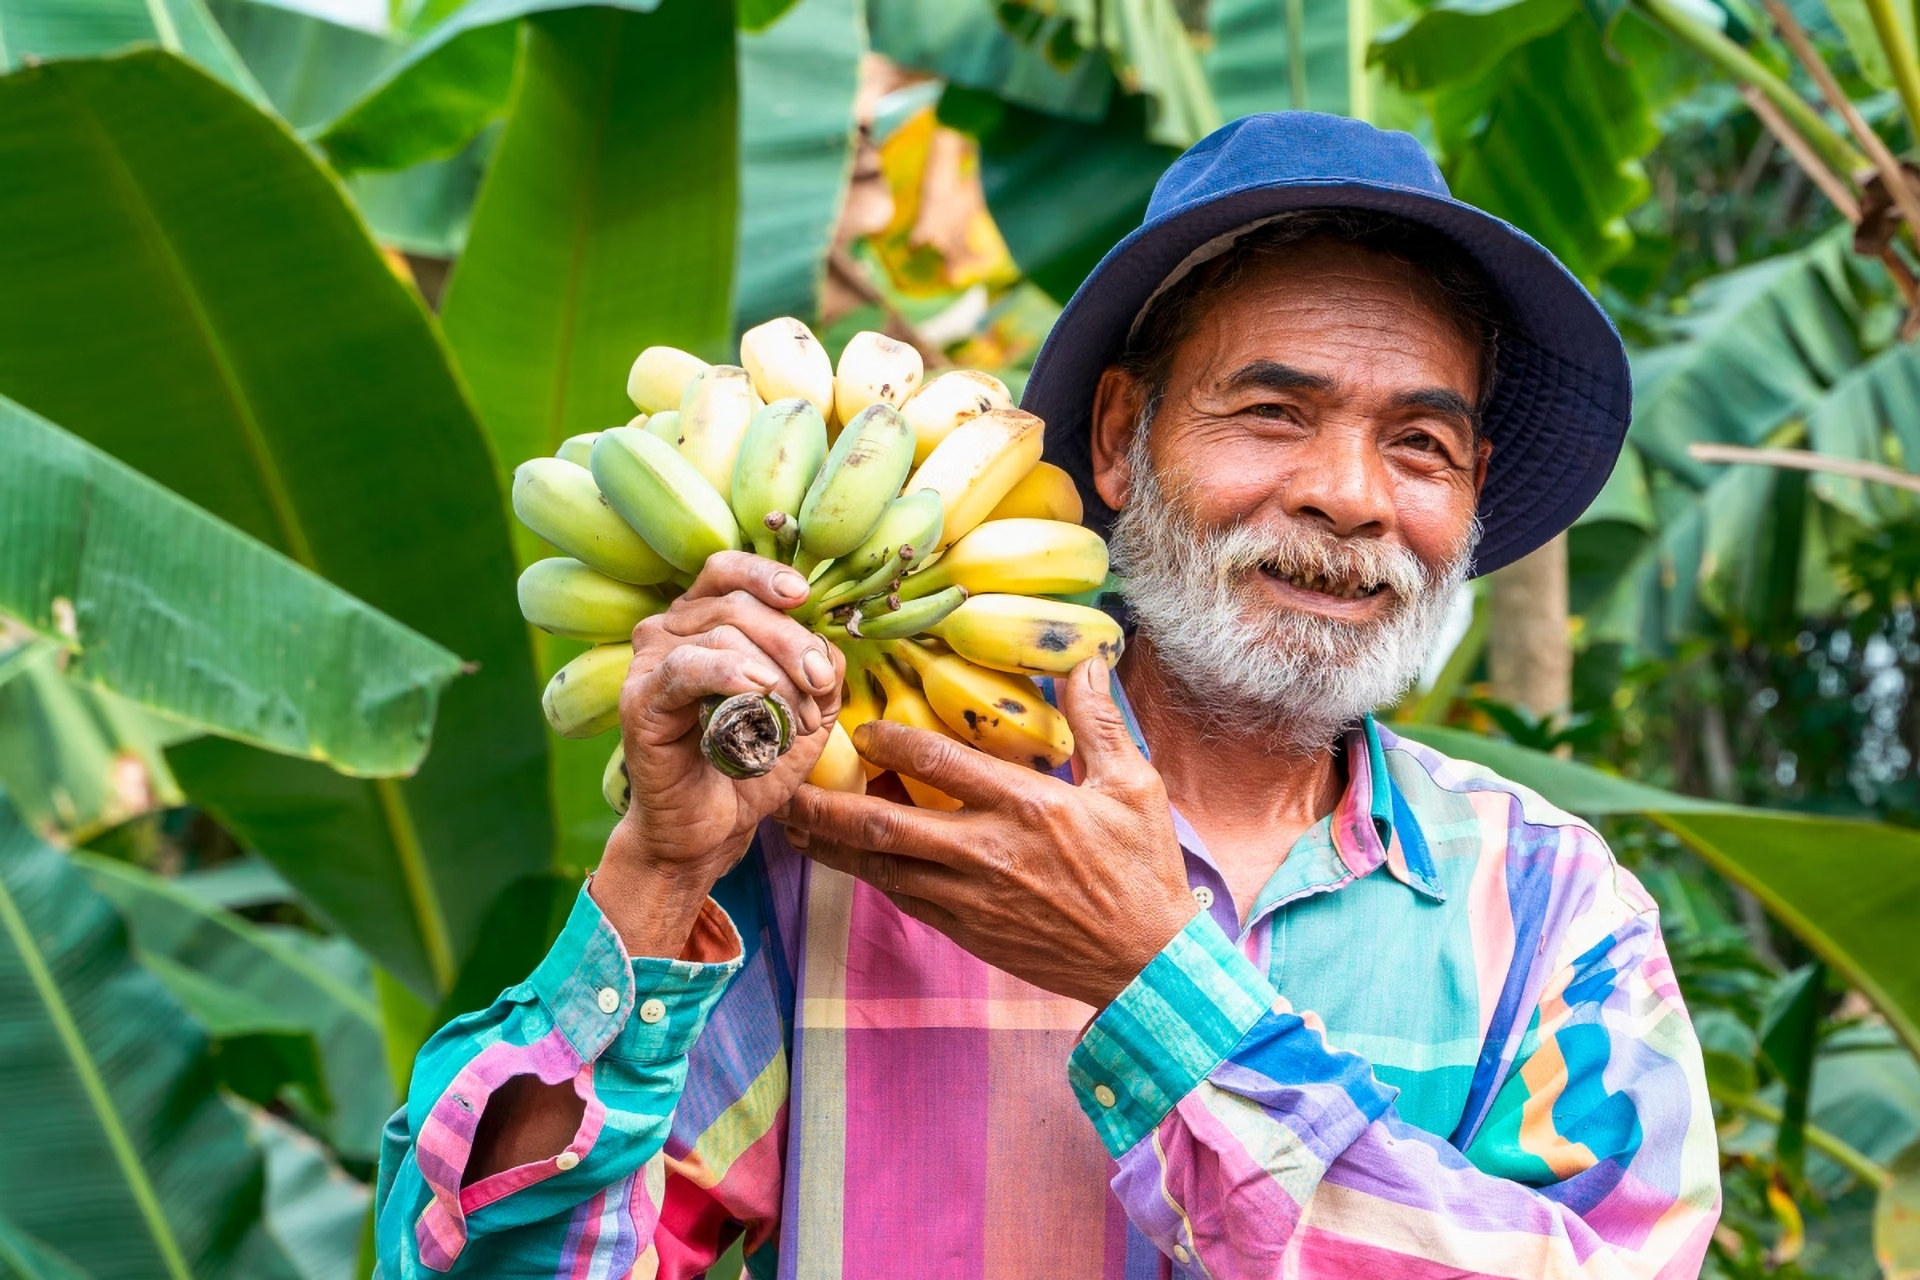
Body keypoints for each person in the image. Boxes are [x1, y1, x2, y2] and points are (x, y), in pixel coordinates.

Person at [375, 112, 1721, 1278]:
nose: (1349, 496)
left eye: (1419, 444)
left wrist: (1155, 986)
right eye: (1270, 414)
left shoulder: (1549, 908)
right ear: (1121, 443)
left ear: (1470, 493)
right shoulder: (862, 840)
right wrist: (658, 882)